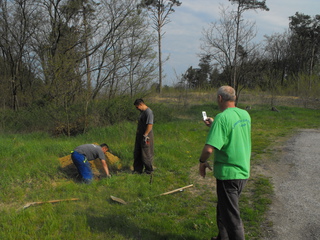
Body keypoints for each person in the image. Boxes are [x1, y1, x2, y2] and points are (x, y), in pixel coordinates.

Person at [198, 86, 251, 240]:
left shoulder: (222, 118)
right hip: (243, 172)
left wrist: (202, 162)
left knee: (232, 218)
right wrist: (215, 124)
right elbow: (231, 129)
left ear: (220, 98)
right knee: (223, 210)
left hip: (229, 175)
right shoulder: (244, 114)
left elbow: (208, 150)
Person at [133, 98, 154, 174]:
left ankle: (149, 170)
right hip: (139, 135)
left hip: (146, 136)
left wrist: (145, 135)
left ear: (141, 104)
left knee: (145, 153)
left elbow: (150, 124)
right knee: (137, 152)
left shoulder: (148, 112)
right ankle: (137, 170)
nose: (137, 109)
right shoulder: (142, 112)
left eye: (137, 107)